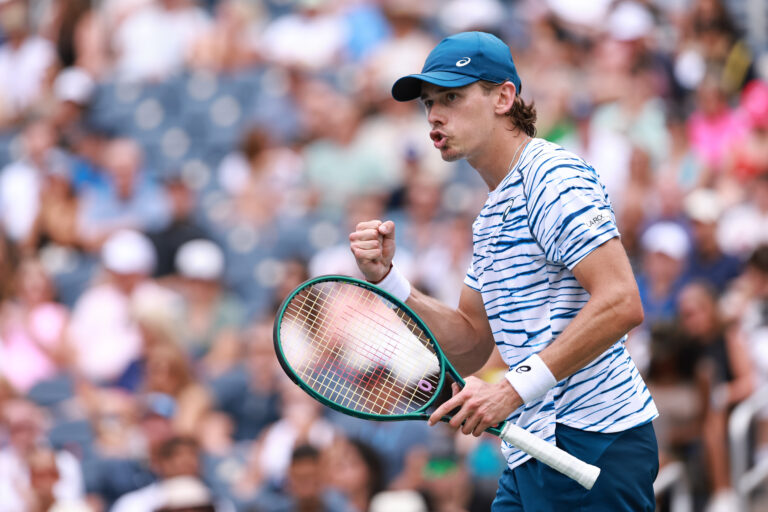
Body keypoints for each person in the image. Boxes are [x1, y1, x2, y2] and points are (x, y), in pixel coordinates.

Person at [348, 31, 659, 510]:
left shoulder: (551, 177)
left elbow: (621, 302)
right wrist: (389, 280)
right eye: (429, 102)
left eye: (451, 96)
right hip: (532, 449)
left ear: (504, 97)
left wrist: (512, 388)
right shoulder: (491, 214)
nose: (434, 114)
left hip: (593, 443)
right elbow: (472, 344)